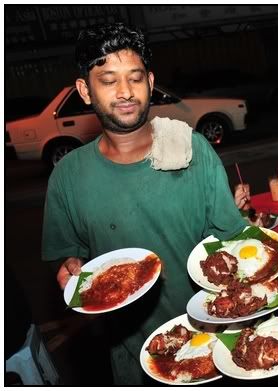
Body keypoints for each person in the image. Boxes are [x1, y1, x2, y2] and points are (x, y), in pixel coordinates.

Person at [41, 23, 246, 384]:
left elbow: (230, 243)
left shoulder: (193, 150)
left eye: (134, 78)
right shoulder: (67, 176)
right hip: (129, 355)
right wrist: (70, 266)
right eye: (108, 80)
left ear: (150, 82)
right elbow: (69, 256)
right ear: (85, 91)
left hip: (209, 341)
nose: (124, 92)